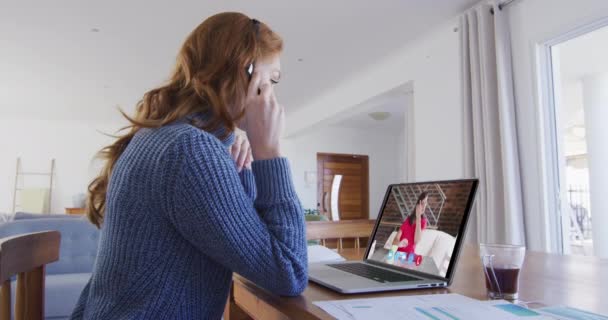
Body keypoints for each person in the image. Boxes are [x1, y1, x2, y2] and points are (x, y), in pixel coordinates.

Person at [70, 12, 307, 320]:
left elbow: (247, 242)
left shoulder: (169, 137)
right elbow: (289, 272)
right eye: (271, 80)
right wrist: (270, 152)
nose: (273, 95)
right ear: (244, 72)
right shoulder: (190, 151)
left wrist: (245, 162)